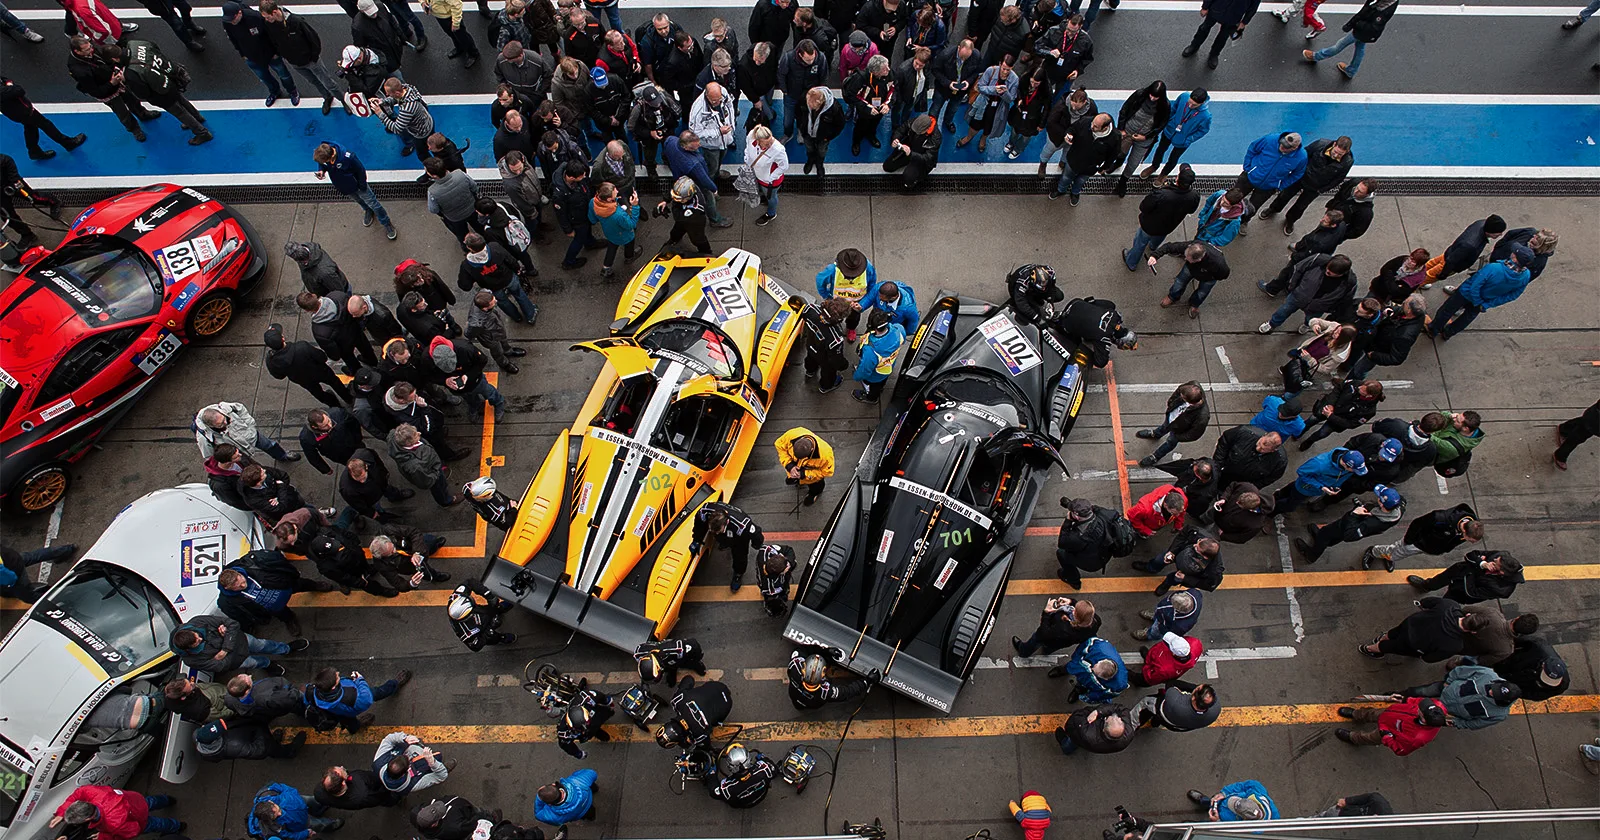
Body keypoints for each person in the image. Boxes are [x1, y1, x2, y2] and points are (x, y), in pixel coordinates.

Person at [107, 41, 211, 145]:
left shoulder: (130, 73)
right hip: (170, 77)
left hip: (161, 93)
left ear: (114, 59)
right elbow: (155, 47)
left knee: (179, 112)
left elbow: (143, 94)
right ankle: (197, 117)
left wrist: (126, 81)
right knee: (181, 99)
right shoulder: (136, 43)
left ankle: (202, 133)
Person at [257, 0, 348, 115]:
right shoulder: (270, 25)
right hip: (294, 62)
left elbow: (314, 39)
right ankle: (327, 97)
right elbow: (274, 41)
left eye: (267, 16)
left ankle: (343, 100)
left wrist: (314, 57)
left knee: (328, 82)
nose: (266, 19)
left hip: (311, 61)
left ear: (274, 12)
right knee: (313, 81)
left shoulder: (296, 22)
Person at [1427, 245, 1533, 340]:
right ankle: (1448, 333)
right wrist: (1486, 304)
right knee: (1466, 318)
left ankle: (1434, 329)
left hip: (1466, 293)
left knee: (1447, 310)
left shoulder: (1494, 268)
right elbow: (1512, 295)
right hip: (1484, 301)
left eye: (1514, 252)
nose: (1512, 252)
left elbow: (1476, 284)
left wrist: (1477, 299)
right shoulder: (1526, 275)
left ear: (1515, 258)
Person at [1259, 136, 1353, 235]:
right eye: (1336, 151)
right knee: (1284, 196)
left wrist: (1322, 190)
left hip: (1315, 188)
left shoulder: (1347, 162)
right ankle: (1273, 209)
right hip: (1300, 178)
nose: (1336, 155)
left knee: (1301, 206)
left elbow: (1339, 179)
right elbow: (1303, 156)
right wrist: (1296, 173)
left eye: (1340, 154)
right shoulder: (1319, 144)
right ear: (1334, 144)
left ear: (1347, 151)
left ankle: (1290, 220)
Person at [1293, 483, 1403, 564]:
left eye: (1379, 498)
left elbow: (1349, 536)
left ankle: (1311, 555)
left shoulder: (1371, 523)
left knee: (1326, 535)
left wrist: (1354, 514)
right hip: (1346, 524)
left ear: (1383, 505)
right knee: (1329, 532)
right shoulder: (1397, 508)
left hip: (1347, 527)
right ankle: (1323, 537)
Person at [170, 613, 305, 677]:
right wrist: (226, 637)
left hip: (243, 640)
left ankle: (286, 649)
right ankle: (269, 665)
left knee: (263, 645)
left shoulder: (197, 622)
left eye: (197, 635)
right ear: (189, 648)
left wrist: (225, 649)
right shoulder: (191, 660)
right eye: (197, 642)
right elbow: (221, 666)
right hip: (238, 660)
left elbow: (232, 624)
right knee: (255, 663)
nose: (200, 638)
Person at [1362, 502, 1481, 570]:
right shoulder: (1441, 518)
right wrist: (1408, 541)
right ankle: (1374, 552)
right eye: (1468, 539)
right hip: (1418, 543)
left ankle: (1389, 556)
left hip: (1431, 547)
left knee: (1396, 553)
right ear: (1464, 530)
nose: (1467, 541)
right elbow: (1417, 523)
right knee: (1396, 550)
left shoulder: (1472, 524)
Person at [1125, 164, 1201, 271]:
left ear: (1177, 179)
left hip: (1150, 225)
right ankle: (1153, 247)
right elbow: (1191, 210)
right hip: (1169, 225)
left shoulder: (1162, 194)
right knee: (1159, 237)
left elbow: (1144, 206)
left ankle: (1131, 261)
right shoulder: (1194, 196)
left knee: (1140, 243)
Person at [1234, 131, 1306, 232]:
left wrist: (1280, 185)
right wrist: (1247, 167)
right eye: (1282, 143)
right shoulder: (1270, 140)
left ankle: (1243, 222)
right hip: (1249, 177)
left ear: (1294, 148)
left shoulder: (1301, 157)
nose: (1282, 147)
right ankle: (1224, 218)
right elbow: (1253, 148)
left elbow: (1297, 174)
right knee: (1232, 198)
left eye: (1286, 147)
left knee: (1253, 208)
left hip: (1267, 187)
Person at [51, 786, 185, 840]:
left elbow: (133, 830)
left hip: (139, 819)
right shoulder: (95, 793)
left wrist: (102, 836)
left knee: (157, 824)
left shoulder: (113, 824)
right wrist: (62, 812)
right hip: (135, 800)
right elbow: (79, 792)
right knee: (151, 801)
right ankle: (168, 800)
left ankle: (178, 826)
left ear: (87, 819)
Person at [1359, 596, 1470, 661]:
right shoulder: (1455, 645)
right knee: (1391, 647)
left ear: (1468, 615)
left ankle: (1379, 640)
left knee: (1393, 633)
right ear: (1473, 631)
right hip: (1413, 644)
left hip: (1410, 623)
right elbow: (1430, 658)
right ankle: (1370, 649)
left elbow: (1427, 602)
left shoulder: (1451, 606)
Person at [1, 76, 86, 161]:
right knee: (45, 124)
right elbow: (19, 90)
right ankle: (68, 143)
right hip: (22, 111)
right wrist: (9, 85)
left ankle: (34, 151)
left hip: (15, 112)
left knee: (30, 127)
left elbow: (5, 80)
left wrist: (8, 84)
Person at [1346, 294, 1427, 381]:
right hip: (1374, 340)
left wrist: (1373, 355)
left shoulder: (1405, 335)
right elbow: (1398, 310)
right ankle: (1348, 366)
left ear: (1409, 310)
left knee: (1359, 370)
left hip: (1377, 350)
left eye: (1405, 303)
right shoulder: (1412, 315)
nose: (1403, 302)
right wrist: (1391, 310)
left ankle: (1349, 383)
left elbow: (1397, 358)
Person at [1111, 81, 1171, 196]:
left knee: (1133, 163)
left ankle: (1123, 181)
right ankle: (1117, 164)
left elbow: (1161, 125)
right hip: (1128, 131)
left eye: (1156, 97)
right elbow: (1124, 110)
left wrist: (1146, 136)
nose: (1152, 98)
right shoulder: (1139, 95)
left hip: (1144, 138)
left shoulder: (1165, 106)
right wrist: (1122, 129)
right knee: (1120, 152)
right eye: (1151, 95)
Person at [1047, 112, 1121, 205]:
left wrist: (1104, 167)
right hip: (1073, 160)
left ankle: (1075, 193)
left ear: (1105, 128)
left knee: (1081, 181)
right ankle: (1061, 190)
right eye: (1092, 123)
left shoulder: (1115, 137)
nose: (1091, 127)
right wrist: (1068, 134)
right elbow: (1072, 128)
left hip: (1090, 167)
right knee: (1066, 178)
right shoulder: (1086, 121)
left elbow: (1112, 155)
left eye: (1095, 127)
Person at [690, 501, 765, 591]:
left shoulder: (742, 526)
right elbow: (699, 524)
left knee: (740, 555)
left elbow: (756, 534)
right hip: (725, 534)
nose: (716, 532)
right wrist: (697, 539)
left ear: (726, 523)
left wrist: (757, 544)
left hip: (738, 539)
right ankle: (725, 543)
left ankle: (738, 573)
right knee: (720, 537)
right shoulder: (704, 511)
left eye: (718, 530)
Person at [1333, 696, 1447, 753]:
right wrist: (1405, 699)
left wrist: (1387, 737)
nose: (1420, 707)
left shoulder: (1417, 738)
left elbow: (1400, 750)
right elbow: (1419, 700)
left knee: (1370, 737)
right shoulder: (1437, 706)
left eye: (1421, 710)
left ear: (1424, 719)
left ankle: (1354, 738)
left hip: (1387, 730)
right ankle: (1356, 714)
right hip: (1391, 713)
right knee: (1372, 713)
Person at [1148, 239, 1229, 319]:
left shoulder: (1218, 262)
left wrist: (1210, 277)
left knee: (1202, 293)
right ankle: (1173, 296)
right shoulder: (1191, 247)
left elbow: (1224, 274)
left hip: (1208, 277)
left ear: (1198, 260)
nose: (1185, 259)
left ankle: (1194, 304)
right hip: (1190, 269)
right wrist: (1154, 256)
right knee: (1179, 282)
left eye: (1188, 259)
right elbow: (1168, 247)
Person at [388, 423, 464, 507]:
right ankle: (447, 501)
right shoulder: (414, 466)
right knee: (439, 488)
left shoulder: (394, 436)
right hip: (432, 475)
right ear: (409, 443)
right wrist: (435, 474)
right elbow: (425, 482)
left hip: (430, 467)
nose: (419, 434)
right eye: (415, 435)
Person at [1142, 90, 1209, 184]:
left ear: (1201, 103)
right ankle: (1154, 166)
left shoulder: (1205, 116)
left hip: (1183, 140)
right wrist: (1169, 121)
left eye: (1194, 105)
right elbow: (1174, 108)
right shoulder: (1184, 96)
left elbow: (1203, 130)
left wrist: (1189, 139)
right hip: (1169, 130)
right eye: (1189, 102)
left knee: (1173, 158)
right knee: (1160, 149)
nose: (1190, 106)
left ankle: (1163, 174)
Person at [1273, 446, 1366, 514]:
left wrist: (1334, 487)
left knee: (1290, 490)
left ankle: (1278, 495)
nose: (1354, 472)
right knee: (1290, 506)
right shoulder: (1319, 464)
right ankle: (1272, 511)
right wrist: (1321, 487)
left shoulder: (1346, 458)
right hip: (1305, 488)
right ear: (1346, 465)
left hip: (1314, 489)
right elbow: (1302, 472)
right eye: (1353, 470)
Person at [1407, 550, 1523, 604]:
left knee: (1446, 603)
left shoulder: (1501, 589)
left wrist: (1475, 567)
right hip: (1458, 571)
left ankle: (1434, 609)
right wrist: (1481, 564)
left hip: (1462, 592)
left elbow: (1471, 592)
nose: (1493, 559)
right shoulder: (1499, 556)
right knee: (1438, 579)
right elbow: (1471, 555)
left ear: (1501, 572)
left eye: (1495, 562)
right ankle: (1426, 586)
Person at [1052, 296, 1137, 368]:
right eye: (1125, 347)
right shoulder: (1104, 338)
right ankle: (1060, 323)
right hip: (1066, 322)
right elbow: (1101, 362)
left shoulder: (1115, 314)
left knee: (1108, 306)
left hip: (1075, 303)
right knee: (1075, 346)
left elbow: (1090, 300)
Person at [1135, 382, 1208, 466]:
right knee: (1164, 426)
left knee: (1170, 442)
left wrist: (1178, 437)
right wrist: (1171, 403)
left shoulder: (1202, 417)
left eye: (1183, 397)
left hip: (1179, 430)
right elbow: (1178, 392)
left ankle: (1156, 456)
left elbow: (1194, 434)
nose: (1180, 396)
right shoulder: (1191, 385)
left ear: (1189, 401)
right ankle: (1156, 434)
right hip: (1171, 418)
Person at [1297, 380, 1383, 449]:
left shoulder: (1369, 411)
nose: (1359, 387)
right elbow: (1339, 388)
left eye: (1362, 390)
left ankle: (1309, 441)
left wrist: (1331, 416)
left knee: (1322, 433)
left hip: (1337, 422)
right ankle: (1298, 432)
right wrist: (1330, 404)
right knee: (1311, 420)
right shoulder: (1355, 383)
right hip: (1328, 408)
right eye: (1361, 386)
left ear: (1369, 395)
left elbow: (1351, 424)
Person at [787, 644, 876, 709]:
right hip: (814, 704)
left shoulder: (795, 667)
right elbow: (847, 692)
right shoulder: (826, 692)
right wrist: (867, 681)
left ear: (804, 669)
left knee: (798, 705)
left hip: (794, 697)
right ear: (823, 675)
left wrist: (825, 651)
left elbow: (801, 649)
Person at [1425, 214, 1506, 284]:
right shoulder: (1471, 245)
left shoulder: (1481, 223)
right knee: (1428, 278)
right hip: (1449, 264)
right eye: (1498, 233)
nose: (1500, 234)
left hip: (1450, 252)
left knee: (1430, 264)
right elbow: (1451, 261)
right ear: (1489, 231)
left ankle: (1417, 271)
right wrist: (1443, 274)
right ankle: (1417, 284)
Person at [1181, 0, 1262, 69]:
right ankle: (1194, 46)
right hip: (1217, 8)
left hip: (1234, 15)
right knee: (1204, 28)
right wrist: (1205, 7)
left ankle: (1214, 54)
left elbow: (1254, 6)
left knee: (1223, 36)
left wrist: (1245, 21)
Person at [1139, 529, 1223, 596]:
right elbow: (1183, 534)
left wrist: (1185, 578)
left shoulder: (1215, 571)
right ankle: (1151, 568)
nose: (1194, 545)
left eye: (1197, 549)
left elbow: (1209, 585)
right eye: (1198, 542)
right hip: (1179, 553)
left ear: (1205, 557)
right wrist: (1172, 551)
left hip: (1187, 573)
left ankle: (1166, 584)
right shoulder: (1198, 533)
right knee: (1159, 560)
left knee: (1175, 579)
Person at [1013, 595, 1100, 658]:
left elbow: (1043, 633)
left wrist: (1046, 613)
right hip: (1062, 643)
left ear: (1075, 614)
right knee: (1051, 647)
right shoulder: (1096, 622)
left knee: (1036, 640)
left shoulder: (1063, 627)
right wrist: (1071, 601)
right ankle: (1046, 651)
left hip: (1049, 635)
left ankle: (1023, 651)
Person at [248, 782, 344, 839]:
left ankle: (321, 808)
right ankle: (332, 825)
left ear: (270, 802)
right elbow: (289, 836)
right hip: (302, 822)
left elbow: (282, 787)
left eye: (278, 810)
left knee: (314, 801)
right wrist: (306, 833)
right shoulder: (272, 827)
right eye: (276, 816)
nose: (280, 813)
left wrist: (294, 794)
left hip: (300, 802)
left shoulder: (266, 793)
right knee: (319, 824)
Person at [852, 309, 906, 403]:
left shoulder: (871, 350)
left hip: (874, 375)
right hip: (888, 367)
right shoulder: (899, 329)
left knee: (874, 387)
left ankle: (871, 398)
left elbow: (865, 369)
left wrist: (857, 376)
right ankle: (879, 389)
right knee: (881, 383)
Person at [588, 182, 640, 279]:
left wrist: (615, 200)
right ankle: (629, 257)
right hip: (625, 234)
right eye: (615, 192)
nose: (617, 191)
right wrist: (635, 206)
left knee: (612, 247)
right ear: (608, 199)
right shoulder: (618, 214)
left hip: (610, 233)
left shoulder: (593, 202)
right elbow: (631, 225)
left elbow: (592, 219)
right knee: (629, 243)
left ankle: (606, 268)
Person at [374, 731, 451, 796]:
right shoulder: (413, 784)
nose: (408, 757)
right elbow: (441, 776)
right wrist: (433, 763)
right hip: (426, 766)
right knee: (438, 764)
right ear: (405, 773)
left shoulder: (379, 761)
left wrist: (404, 738)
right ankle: (443, 767)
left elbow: (388, 739)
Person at [1493, 636, 1569, 701]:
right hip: (1511, 663)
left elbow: (1534, 695)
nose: (1544, 682)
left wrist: (1513, 690)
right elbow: (1524, 640)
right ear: (1543, 665)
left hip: (1514, 682)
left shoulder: (1560, 686)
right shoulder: (1540, 648)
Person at [929, 39, 982, 133]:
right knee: (935, 109)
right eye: (962, 56)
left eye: (966, 57)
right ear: (959, 48)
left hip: (960, 91)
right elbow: (935, 70)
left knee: (953, 109)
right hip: (942, 88)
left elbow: (977, 72)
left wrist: (968, 82)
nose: (963, 60)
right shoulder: (945, 55)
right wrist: (948, 83)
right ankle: (931, 126)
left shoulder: (976, 56)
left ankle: (948, 122)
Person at [775, 426, 835, 505]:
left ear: (811, 450)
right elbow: (779, 445)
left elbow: (827, 472)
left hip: (812, 478)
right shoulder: (792, 434)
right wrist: (789, 465)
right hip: (794, 469)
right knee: (793, 477)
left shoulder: (826, 455)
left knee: (816, 486)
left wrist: (804, 474)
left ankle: (814, 493)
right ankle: (797, 480)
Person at [884, 113, 943, 190]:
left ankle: (913, 182)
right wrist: (895, 139)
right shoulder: (913, 122)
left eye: (918, 132)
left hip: (920, 158)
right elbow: (900, 130)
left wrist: (911, 154)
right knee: (888, 166)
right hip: (909, 148)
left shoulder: (936, 138)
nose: (915, 132)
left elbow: (928, 158)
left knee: (909, 177)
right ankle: (906, 161)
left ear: (927, 129)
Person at [745, 124, 789, 226]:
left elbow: (784, 166)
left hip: (770, 182)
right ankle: (766, 199)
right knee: (767, 194)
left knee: (772, 197)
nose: (770, 145)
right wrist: (747, 158)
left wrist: (770, 178)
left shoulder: (778, 149)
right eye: (767, 143)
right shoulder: (751, 136)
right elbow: (747, 148)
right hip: (759, 176)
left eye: (770, 141)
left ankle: (771, 213)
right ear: (758, 140)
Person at [797, 85, 846, 175]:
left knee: (822, 151)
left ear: (820, 103)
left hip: (823, 137)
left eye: (812, 105)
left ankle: (819, 164)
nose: (809, 106)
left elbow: (840, 125)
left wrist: (828, 137)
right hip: (807, 133)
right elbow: (798, 114)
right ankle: (810, 160)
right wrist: (801, 128)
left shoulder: (834, 108)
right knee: (809, 148)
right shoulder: (804, 99)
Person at [1135, 679, 1219, 732]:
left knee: (1146, 703)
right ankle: (1155, 723)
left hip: (1163, 710)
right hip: (1176, 725)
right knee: (1159, 719)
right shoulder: (1215, 710)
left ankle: (1132, 725)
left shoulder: (1176, 701)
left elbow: (1171, 684)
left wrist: (1193, 688)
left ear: (1193, 698)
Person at [1064, 636, 1128, 703]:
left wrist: (1089, 696)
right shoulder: (1099, 647)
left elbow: (1104, 695)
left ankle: (1079, 689)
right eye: (1096, 665)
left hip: (1091, 683)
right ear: (1104, 660)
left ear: (1106, 679)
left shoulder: (1119, 684)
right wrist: (1075, 660)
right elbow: (1083, 647)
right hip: (1080, 667)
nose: (1092, 668)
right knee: (1070, 667)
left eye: (1095, 672)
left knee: (1083, 685)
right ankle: (1064, 669)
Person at [1055, 703, 1137, 755]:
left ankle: (1066, 747)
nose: (1117, 717)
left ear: (1104, 729)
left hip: (1079, 738)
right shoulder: (1128, 733)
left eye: (1110, 718)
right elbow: (1121, 709)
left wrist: (1093, 712)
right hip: (1097, 746)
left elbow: (1077, 716)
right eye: (1120, 720)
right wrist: (1099, 711)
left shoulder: (1088, 734)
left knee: (1072, 742)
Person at [1210, 482, 1274, 544]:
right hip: (1216, 512)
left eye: (1239, 504)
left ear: (1250, 509)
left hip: (1220, 530)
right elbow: (1232, 486)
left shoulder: (1256, 524)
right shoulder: (1247, 487)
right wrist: (1224, 498)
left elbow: (1241, 538)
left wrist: (1223, 536)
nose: (1236, 502)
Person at [1132, 631, 1203, 686]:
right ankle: (1147, 656)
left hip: (1153, 667)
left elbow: (1150, 678)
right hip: (1156, 658)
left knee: (1140, 679)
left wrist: (1147, 665)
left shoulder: (1164, 669)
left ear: (1174, 653)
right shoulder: (1195, 643)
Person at [1188, 781, 1278, 821]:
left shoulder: (1250, 831)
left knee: (1207, 828)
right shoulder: (1257, 790)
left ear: (1245, 819)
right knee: (1212, 800)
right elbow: (1242, 786)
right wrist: (1224, 793)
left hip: (1223, 818)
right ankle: (1205, 802)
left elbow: (1227, 834)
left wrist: (1218, 822)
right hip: (1221, 801)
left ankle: (1195, 827)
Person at [636, 638, 709, 687]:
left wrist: (696, 658)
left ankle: (697, 666)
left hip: (679, 658)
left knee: (690, 663)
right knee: (671, 671)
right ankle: (672, 673)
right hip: (667, 663)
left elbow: (694, 645)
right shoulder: (639, 654)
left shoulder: (677, 649)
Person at [1553, 398, 1600, 470]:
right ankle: (1560, 456)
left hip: (1594, 415)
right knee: (1577, 437)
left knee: (1583, 422)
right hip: (1595, 423)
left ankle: (1564, 429)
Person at [754, 544, 796, 617]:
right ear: (781, 573)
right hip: (770, 589)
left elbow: (788, 549)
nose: (787, 567)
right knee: (775, 598)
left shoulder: (765, 551)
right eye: (786, 568)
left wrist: (789, 562)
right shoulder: (771, 586)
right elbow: (775, 591)